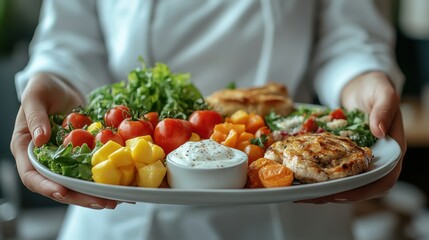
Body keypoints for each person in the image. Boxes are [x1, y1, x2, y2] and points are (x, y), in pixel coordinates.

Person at [11, 1, 406, 239]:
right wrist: (53, 82)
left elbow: (349, 37)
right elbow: (70, 40)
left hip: (292, 205)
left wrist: (365, 81)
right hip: (126, 210)